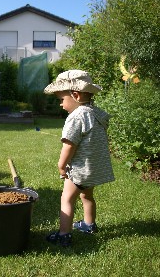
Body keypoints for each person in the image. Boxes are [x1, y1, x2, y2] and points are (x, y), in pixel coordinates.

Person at [43, 70, 115, 247]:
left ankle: (64, 234)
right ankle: (89, 225)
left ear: (75, 95)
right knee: (87, 196)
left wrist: (61, 166)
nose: (61, 104)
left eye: (61, 100)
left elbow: (69, 145)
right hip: (94, 168)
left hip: (80, 170)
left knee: (67, 199)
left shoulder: (76, 116)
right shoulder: (96, 113)